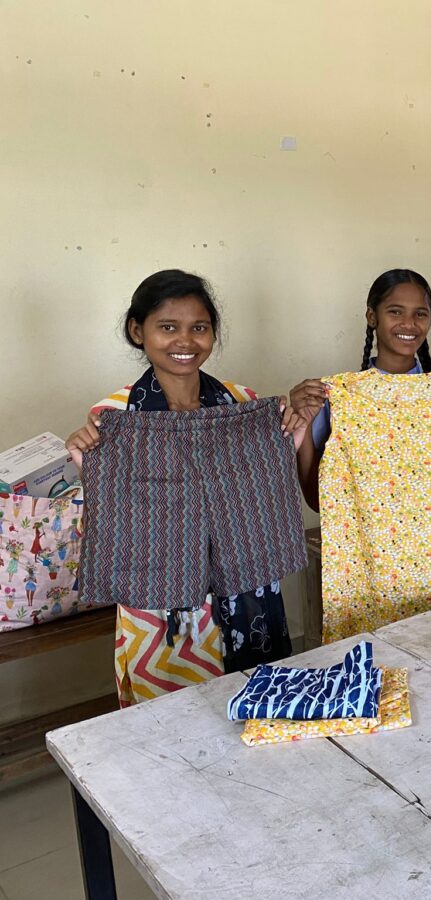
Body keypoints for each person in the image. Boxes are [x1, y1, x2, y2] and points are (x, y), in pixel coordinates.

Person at [66, 269, 307, 706]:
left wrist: (294, 431)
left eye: (199, 328)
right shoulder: (116, 415)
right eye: (168, 327)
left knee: (258, 709)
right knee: (174, 726)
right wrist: (84, 456)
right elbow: (120, 507)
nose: (185, 341)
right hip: (156, 592)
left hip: (245, 590)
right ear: (137, 331)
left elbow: (265, 484)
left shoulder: (242, 402)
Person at [288, 269, 431, 510]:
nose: (409, 324)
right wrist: (304, 425)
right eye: (395, 311)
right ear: (371, 316)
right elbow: (318, 501)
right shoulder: (334, 400)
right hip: (367, 548)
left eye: (420, 314)